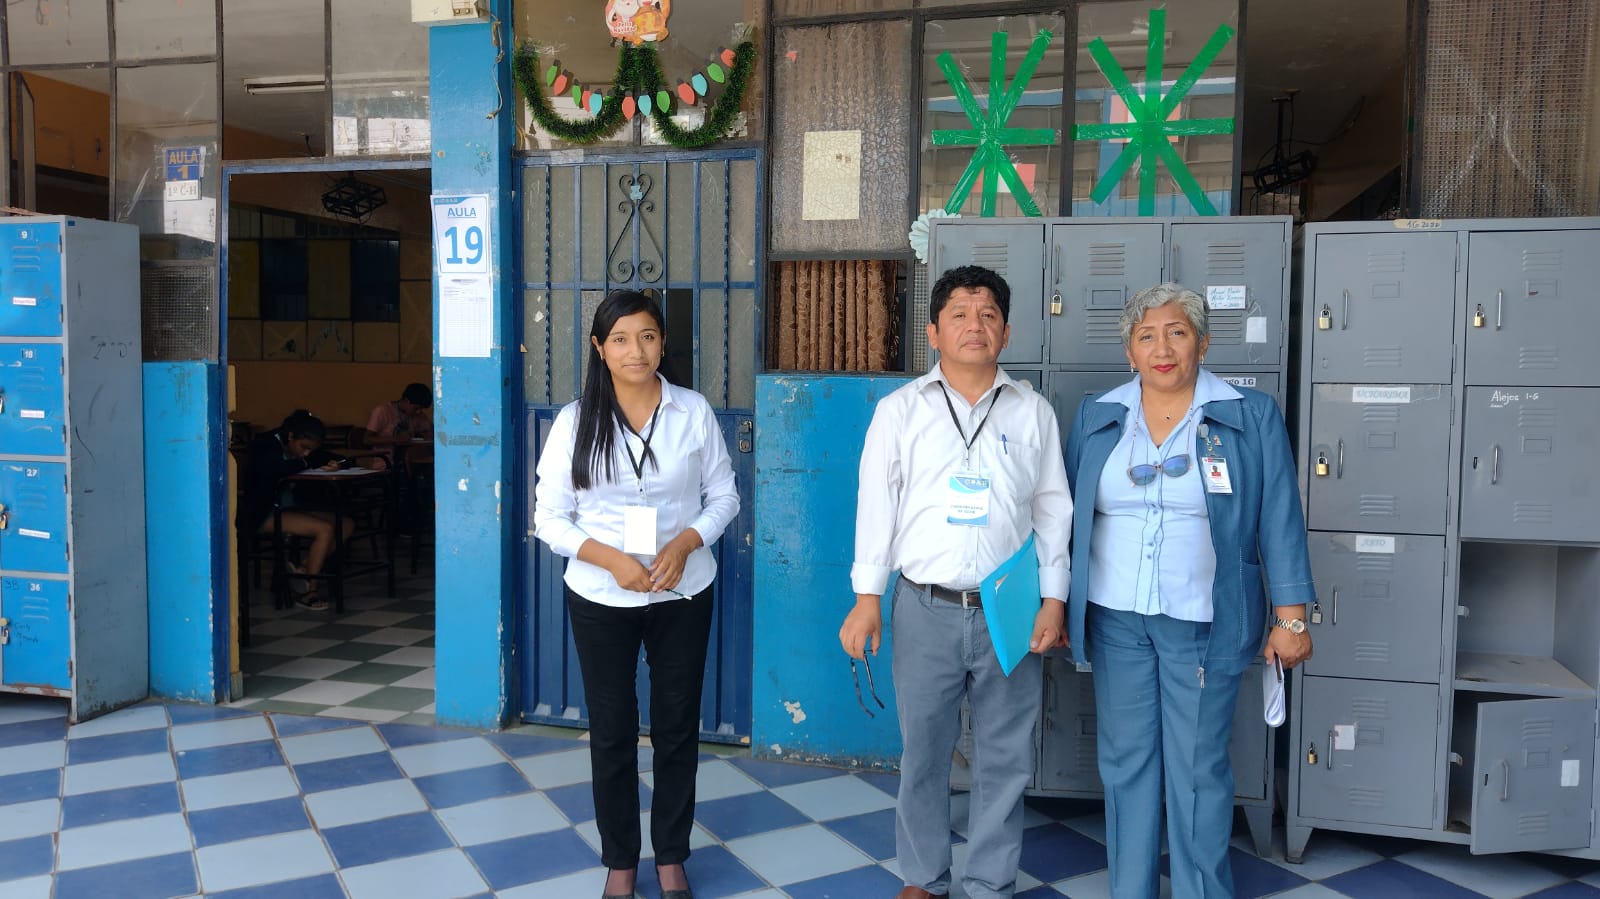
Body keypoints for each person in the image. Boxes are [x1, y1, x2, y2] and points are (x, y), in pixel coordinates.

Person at [1062, 283, 1315, 898]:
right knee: (1125, 764)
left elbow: (1279, 516)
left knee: (1198, 769)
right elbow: (1065, 514)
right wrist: (1053, 601)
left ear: (1202, 343)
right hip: (1116, 619)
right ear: (1130, 351)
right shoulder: (1099, 415)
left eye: (1177, 332)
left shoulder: (1247, 415)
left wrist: (1292, 617)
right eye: (1146, 336)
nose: (1162, 348)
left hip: (1204, 619)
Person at [840, 265, 1073, 899]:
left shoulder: (1032, 412)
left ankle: (991, 880)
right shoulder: (901, 411)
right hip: (925, 606)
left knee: (1005, 756)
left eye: (989, 314)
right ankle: (923, 876)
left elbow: (1053, 510)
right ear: (933, 332)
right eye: (961, 315)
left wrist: (1053, 600)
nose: (976, 325)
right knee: (924, 752)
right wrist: (867, 599)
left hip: (1010, 609)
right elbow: (877, 505)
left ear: (1007, 332)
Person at [533, 289, 739, 899]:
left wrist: (686, 543)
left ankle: (671, 856)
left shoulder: (692, 412)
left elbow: (724, 496)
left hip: (683, 592)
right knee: (612, 731)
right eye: (620, 339)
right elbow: (549, 518)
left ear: (663, 342)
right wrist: (612, 561)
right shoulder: (575, 422)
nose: (636, 351)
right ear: (599, 348)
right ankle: (620, 861)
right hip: (601, 596)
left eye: (647, 336)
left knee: (677, 727)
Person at [238, 410, 355, 612]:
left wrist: (338, 464)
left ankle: (303, 569)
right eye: (304, 448)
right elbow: (276, 469)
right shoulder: (264, 445)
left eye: (311, 450)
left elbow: (341, 459)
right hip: (262, 511)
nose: (306, 452)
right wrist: (306, 462)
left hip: (291, 507)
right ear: (290, 436)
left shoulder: (305, 448)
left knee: (346, 524)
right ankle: (309, 592)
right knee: (325, 529)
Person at [364, 382, 432, 470]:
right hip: (385, 466)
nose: (418, 412)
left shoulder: (418, 415)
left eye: (421, 409)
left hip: (409, 465)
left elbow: (430, 431)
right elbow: (367, 439)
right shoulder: (382, 411)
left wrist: (423, 435)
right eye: (416, 408)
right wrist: (396, 439)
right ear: (406, 401)